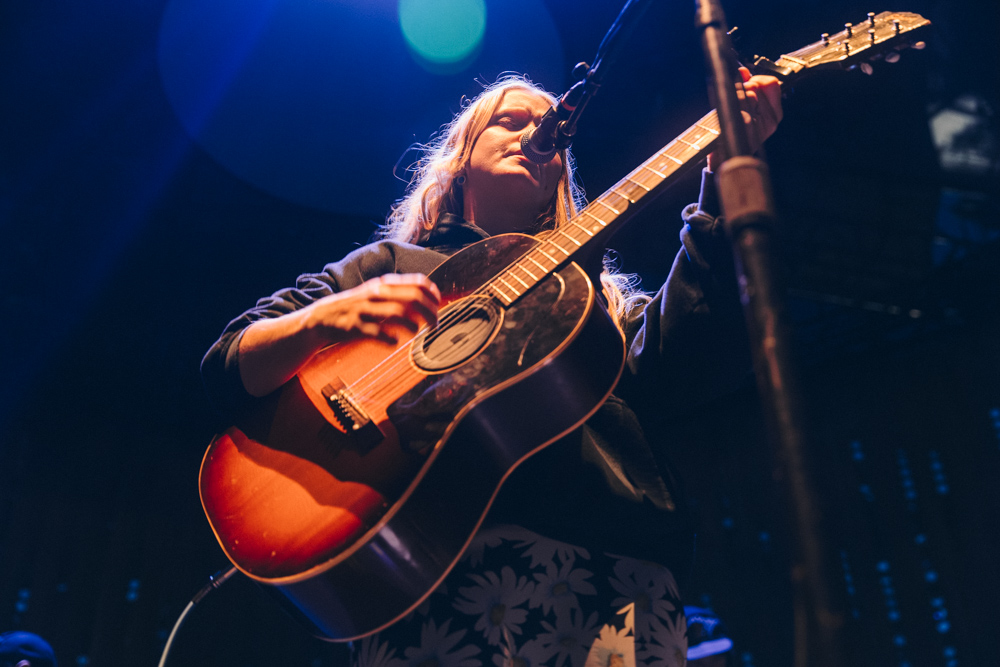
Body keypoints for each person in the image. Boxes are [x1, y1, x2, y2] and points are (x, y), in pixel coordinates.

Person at [202, 70, 782, 667]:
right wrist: (326, 318)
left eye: (552, 132)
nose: (538, 133)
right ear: (460, 158)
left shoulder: (593, 300)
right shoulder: (389, 267)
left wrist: (720, 181)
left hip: (613, 575)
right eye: (512, 121)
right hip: (428, 577)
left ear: (559, 178)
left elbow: (694, 368)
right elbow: (226, 366)